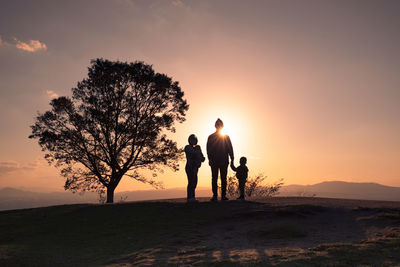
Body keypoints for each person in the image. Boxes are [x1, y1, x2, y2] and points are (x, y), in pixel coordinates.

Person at [207, 118, 234, 201]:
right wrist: (210, 159)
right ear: (216, 126)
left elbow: (230, 149)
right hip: (216, 161)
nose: (218, 126)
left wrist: (232, 159)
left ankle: (222, 196)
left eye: (220, 124)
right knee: (215, 178)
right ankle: (215, 195)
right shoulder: (211, 137)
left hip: (223, 161)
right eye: (218, 124)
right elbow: (208, 150)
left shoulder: (226, 137)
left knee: (222, 178)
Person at [184, 134, 205, 202]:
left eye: (195, 140)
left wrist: (201, 157)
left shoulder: (197, 148)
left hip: (195, 167)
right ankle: (190, 198)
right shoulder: (187, 147)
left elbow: (202, 157)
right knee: (191, 181)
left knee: (194, 181)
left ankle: (192, 197)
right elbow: (194, 154)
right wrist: (198, 152)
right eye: (192, 140)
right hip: (190, 167)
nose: (194, 141)